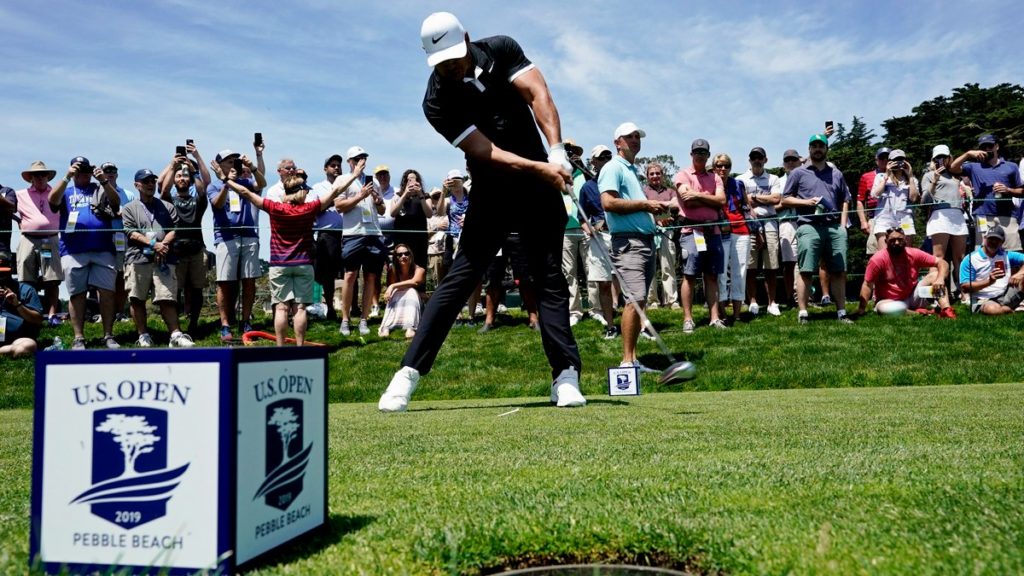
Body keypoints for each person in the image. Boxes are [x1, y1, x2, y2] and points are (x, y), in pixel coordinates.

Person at [378, 12, 586, 412]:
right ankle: (407, 374)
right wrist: (544, 168)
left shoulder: (501, 49)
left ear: (468, 40)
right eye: (441, 63)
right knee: (461, 277)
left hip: (539, 185)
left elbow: (537, 94)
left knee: (547, 275)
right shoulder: (436, 99)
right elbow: (483, 151)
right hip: (491, 187)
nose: (451, 68)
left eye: (455, 59)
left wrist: (556, 150)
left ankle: (565, 375)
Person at [230, 165, 364, 345]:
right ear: (300, 192)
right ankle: (300, 348)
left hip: (279, 264)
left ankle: (280, 348)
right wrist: (355, 175)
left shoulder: (275, 208)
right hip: (303, 264)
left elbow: (247, 193)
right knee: (300, 308)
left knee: (281, 308)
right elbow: (337, 190)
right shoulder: (309, 208)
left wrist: (226, 180)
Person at [601, 122, 668, 371]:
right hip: (628, 242)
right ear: (617, 142)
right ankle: (627, 362)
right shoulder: (612, 167)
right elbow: (608, 202)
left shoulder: (631, 170)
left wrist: (654, 214)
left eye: (637, 136)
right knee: (634, 299)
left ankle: (633, 360)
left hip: (644, 241)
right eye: (629, 137)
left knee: (639, 300)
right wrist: (645, 206)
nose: (635, 140)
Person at [49, 157, 122, 349]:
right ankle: (79, 337)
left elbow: (116, 203)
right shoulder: (66, 191)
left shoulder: (99, 188)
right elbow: (52, 201)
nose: (84, 174)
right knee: (77, 294)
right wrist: (66, 176)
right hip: (73, 251)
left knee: (107, 292)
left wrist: (103, 180)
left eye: (87, 170)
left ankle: (108, 335)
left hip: (103, 248)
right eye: (79, 170)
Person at [781, 134, 852, 324]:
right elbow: (785, 199)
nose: (818, 149)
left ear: (827, 149)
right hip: (808, 225)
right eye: (814, 146)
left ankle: (841, 312)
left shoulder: (836, 174)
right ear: (809, 149)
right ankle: (803, 313)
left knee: (838, 270)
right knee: (806, 270)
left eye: (821, 145)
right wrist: (806, 202)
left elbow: (845, 199)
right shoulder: (798, 173)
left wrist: (843, 226)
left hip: (833, 226)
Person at [121, 169, 194, 347]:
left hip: (164, 258)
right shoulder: (129, 208)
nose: (150, 184)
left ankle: (175, 335)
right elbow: (130, 232)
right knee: (137, 298)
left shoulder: (167, 206)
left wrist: (163, 244)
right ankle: (143, 335)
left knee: (167, 297)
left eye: (152, 181)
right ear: (136, 185)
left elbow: (175, 228)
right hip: (138, 259)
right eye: (145, 181)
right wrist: (154, 244)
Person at [208, 149, 266, 341]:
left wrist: (253, 165)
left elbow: (262, 183)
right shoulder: (214, 185)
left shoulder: (244, 181)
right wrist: (226, 183)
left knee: (249, 281)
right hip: (226, 237)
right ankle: (225, 324)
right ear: (219, 165)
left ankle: (246, 321)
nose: (233, 164)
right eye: (228, 161)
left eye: (235, 160)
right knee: (224, 283)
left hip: (249, 235)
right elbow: (217, 204)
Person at [674, 138, 727, 333]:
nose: (700, 155)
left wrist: (699, 195)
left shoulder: (715, 177)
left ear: (708, 155)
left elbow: (722, 200)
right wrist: (709, 199)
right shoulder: (683, 174)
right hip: (691, 231)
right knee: (689, 275)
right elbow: (687, 201)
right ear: (691, 154)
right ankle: (688, 319)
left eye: (703, 152)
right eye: (697, 152)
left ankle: (714, 318)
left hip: (713, 231)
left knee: (712, 275)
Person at [337, 146, 386, 337]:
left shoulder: (371, 181)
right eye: (357, 158)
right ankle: (345, 319)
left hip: (373, 233)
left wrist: (377, 199)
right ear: (349, 161)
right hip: (353, 233)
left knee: (371, 277)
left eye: (363, 157)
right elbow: (339, 206)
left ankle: (364, 319)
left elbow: (382, 212)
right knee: (350, 275)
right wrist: (360, 196)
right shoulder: (343, 180)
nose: (361, 161)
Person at [855, 227, 956, 318]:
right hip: (889, 301)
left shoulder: (914, 253)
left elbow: (942, 262)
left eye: (900, 239)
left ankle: (946, 310)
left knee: (935, 275)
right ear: (886, 241)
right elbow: (867, 284)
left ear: (905, 240)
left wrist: (940, 279)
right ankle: (919, 313)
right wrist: (861, 309)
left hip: (913, 295)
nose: (897, 243)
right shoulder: (877, 259)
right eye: (893, 240)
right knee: (884, 308)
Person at [160, 153, 209, 334]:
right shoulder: (169, 201)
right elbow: (163, 192)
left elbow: (203, 191)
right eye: (179, 176)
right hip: (175, 251)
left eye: (185, 175)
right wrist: (173, 167)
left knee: (197, 290)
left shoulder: (198, 200)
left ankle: (194, 323)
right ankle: (176, 326)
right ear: (174, 180)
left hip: (197, 250)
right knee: (175, 291)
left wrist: (195, 172)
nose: (182, 178)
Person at [951, 134, 1024, 250]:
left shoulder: (1011, 166)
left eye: (990, 146)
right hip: (982, 216)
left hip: (1008, 215)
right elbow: (952, 168)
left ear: (997, 146)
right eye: (983, 147)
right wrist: (968, 154)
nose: (987, 149)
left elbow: (1021, 191)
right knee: (984, 254)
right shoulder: (973, 167)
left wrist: (1008, 190)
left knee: (1013, 252)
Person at [15, 161, 63, 324]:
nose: (40, 177)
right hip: (28, 238)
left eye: (43, 174)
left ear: (48, 176)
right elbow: (9, 210)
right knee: (26, 278)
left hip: (50, 239)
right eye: (36, 174)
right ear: (31, 178)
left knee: (52, 278)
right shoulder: (20, 194)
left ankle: (52, 315)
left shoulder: (57, 193)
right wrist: (19, 221)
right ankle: (30, 312)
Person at [737, 147, 781, 316]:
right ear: (749, 160)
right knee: (751, 266)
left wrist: (753, 198)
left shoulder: (773, 178)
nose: (757, 160)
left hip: (769, 223)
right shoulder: (741, 179)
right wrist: (765, 199)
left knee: (771, 265)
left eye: (760, 157)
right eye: (754, 157)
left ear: (765, 159)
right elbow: (742, 201)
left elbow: (776, 199)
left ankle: (772, 302)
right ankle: (753, 301)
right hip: (749, 225)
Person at [580, 145, 617, 338]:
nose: (605, 160)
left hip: (621, 234)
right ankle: (611, 325)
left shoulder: (619, 180)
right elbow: (582, 217)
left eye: (608, 157)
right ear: (593, 162)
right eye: (601, 158)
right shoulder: (587, 188)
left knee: (629, 283)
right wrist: (590, 231)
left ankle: (639, 323)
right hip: (599, 237)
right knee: (603, 283)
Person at [921, 144, 968, 297]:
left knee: (960, 258)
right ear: (933, 159)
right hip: (940, 214)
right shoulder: (928, 175)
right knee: (938, 259)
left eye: (944, 157)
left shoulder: (955, 174)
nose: (941, 160)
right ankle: (936, 295)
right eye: (938, 157)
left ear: (949, 157)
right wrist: (934, 181)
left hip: (958, 215)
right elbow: (924, 201)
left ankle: (963, 292)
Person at [712, 153, 752, 324]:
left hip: (741, 230)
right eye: (719, 165)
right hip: (719, 231)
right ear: (714, 167)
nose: (723, 169)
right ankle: (721, 314)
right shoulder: (710, 182)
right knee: (720, 273)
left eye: (726, 165)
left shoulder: (738, 184)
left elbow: (747, 207)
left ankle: (736, 314)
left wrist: (755, 228)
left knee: (740, 272)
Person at [309, 154, 347, 321]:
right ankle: (330, 307)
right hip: (327, 234)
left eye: (339, 165)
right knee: (328, 274)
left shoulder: (348, 184)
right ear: (325, 169)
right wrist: (335, 198)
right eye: (333, 165)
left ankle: (352, 307)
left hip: (348, 233)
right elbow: (316, 209)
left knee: (350, 272)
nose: (336, 167)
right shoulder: (317, 188)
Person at [959, 225, 1024, 315]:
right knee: (992, 309)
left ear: (1002, 242)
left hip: (1006, 293)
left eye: (997, 239)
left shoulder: (1006, 255)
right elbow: (965, 287)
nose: (993, 242)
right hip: (983, 299)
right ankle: (1010, 310)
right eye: (991, 238)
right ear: (984, 239)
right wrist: (989, 281)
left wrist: (1019, 274)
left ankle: (1007, 307)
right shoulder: (971, 259)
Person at [99, 162, 134, 322]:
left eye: (113, 170)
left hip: (122, 237)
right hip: (102, 238)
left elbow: (135, 216)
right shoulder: (96, 192)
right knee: (102, 278)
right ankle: (104, 313)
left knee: (121, 276)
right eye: (107, 170)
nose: (110, 173)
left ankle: (120, 312)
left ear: (117, 174)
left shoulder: (128, 194)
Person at [643, 162, 679, 310]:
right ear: (647, 176)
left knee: (668, 266)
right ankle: (652, 301)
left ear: (662, 175)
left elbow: (676, 205)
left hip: (667, 231)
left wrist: (655, 206)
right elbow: (643, 207)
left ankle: (672, 300)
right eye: (652, 174)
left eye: (658, 173)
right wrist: (664, 208)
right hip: (650, 231)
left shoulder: (670, 191)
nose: (655, 176)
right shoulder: (643, 191)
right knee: (650, 267)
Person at [0, 250, 44, 358]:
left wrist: (17, 304)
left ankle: (5, 350)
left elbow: (38, 320)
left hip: (18, 338)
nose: (1, 277)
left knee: (28, 346)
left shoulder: (26, 289)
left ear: (11, 271)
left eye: (4, 273)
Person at [870, 149, 919, 244]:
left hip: (905, 219)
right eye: (895, 160)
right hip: (884, 219)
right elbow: (875, 195)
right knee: (884, 254)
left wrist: (910, 175)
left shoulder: (912, 179)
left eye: (901, 160)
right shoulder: (880, 177)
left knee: (906, 252)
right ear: (890, 162)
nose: (898, 163)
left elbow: (913, 198)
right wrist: (886, 176)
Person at [379, 243, 426, 339]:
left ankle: (411, 327)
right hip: (399, 298)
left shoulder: (420, 270)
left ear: (410, 255)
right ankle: (386, 326)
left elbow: (414, 282)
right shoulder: (392, 271)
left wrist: (393, 286)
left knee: (411, 291)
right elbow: (391, 290)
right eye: (399, 255)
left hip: (416, 299)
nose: (403, 256)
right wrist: (392, 288)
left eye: (406, 253)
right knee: (395, 293)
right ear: (395, 257)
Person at [774, 149, 803, 306]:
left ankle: (803, 295)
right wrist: (788, 202)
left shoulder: (806, 176)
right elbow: (774, 205)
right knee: (789, 262)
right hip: (786, 222)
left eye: (793, 159)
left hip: (804, 221)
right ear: (783, 164)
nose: (790, 162)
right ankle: (790, 297)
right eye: (787, 160)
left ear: (799, 161)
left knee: (804, 261)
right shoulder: (778, 181)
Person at [389, 169, 433, 270]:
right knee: (402, 267)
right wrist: (405, 194)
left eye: (415, 180)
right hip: (402, 240)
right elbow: (393, 213)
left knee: (419, 267)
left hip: (419, 240)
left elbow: (429, 214)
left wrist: (420, 195)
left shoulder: (425, 196)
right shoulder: (398, 196)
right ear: (405, 182)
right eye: (409, 180)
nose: (412, 183)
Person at [425, 186, 449, 290]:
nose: (438, 199)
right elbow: (424, 234)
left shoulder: (449, 211)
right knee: (438, 281)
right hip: (435, 251)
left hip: (449, 249)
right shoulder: (427, 216)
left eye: (440, 196)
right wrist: (437, 227)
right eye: (435, 197)